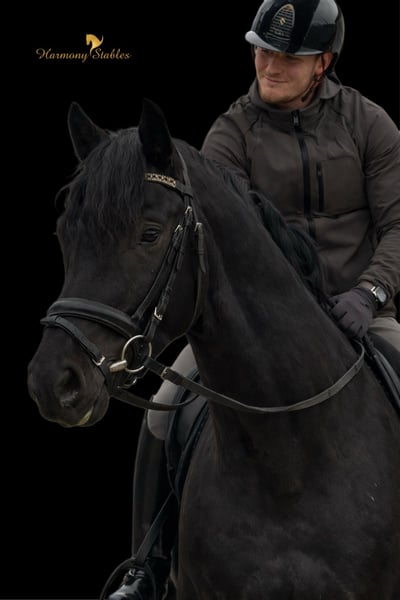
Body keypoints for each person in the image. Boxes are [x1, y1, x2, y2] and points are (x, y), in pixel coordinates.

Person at [106, 0, 400, 598]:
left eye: (287, 57)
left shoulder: (370, 124)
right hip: (254, 323)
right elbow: (223, 237)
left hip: (362, 313)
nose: (269, 65)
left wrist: (369, 293)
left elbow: (398, 224)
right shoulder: (231, 133)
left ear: (323, 63)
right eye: (262, 50)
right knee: (163, 407)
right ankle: (146, 567)